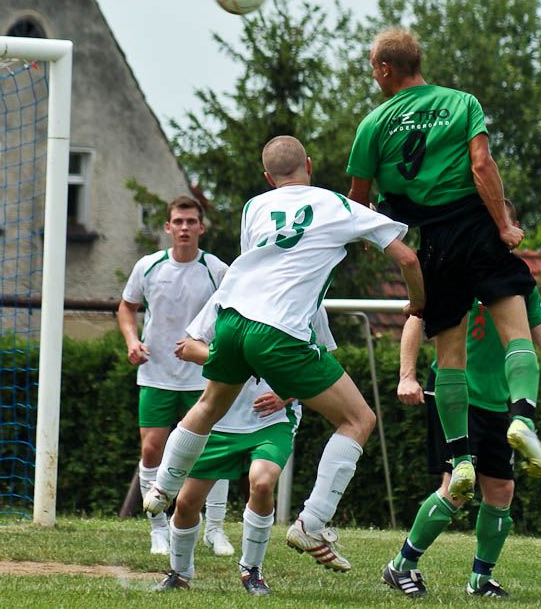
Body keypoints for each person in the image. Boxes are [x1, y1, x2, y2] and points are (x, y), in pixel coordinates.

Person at [144, 135, 426, 573]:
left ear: (267, 177)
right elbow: (407, 259)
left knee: (208, 405)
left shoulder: (254, 207)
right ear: (310, 164)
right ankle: (312, 522)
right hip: (279, 332)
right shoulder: (336, 205)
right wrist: (418, 302)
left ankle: (161, 488)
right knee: (359, 420)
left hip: (232, 320)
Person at [346, 27, 541, 505]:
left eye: (373, 67)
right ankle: (521, 416)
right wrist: (502, 224)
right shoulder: (462, 103)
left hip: (433, 242)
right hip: (477, 229)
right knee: (517, 334)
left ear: (385, 68)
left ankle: (460, 460)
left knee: (450, 357)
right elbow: (482, 166)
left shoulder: (373, 124)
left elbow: (357, 202)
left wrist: (382, 233)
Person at [382, 201, 541, 599]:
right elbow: (415, 318)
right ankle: (401, 565)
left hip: (499, 402)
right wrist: (406, 375)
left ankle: (480, 579)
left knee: (501, 492)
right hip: (457, 399)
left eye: (503, 223)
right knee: (457, 487)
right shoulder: (451, 271)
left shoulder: (515, 282)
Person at [153, 302, 335, 595]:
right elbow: (187, 347)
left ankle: (252, 571)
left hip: (270, 422)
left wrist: (286, 393)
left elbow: (320, 360)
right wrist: (239, 358)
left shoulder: (309, 303)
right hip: (217, 421)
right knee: (186, 503)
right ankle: (180, 573)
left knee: (262, 484)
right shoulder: (230, 299)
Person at [117, 195, 233, 556]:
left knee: (211, 453)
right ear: (167, 227)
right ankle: (157, 530)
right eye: (178, 222)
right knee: (152, 448)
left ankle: (214, 529)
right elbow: (126, 307)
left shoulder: (217, 270)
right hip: (156, 375)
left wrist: (220, 353)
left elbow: (235, 313)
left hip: (204, 378)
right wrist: (132, 340)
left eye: (191, 221)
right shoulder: (148, 266)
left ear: (201, 227)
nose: (184, 228)